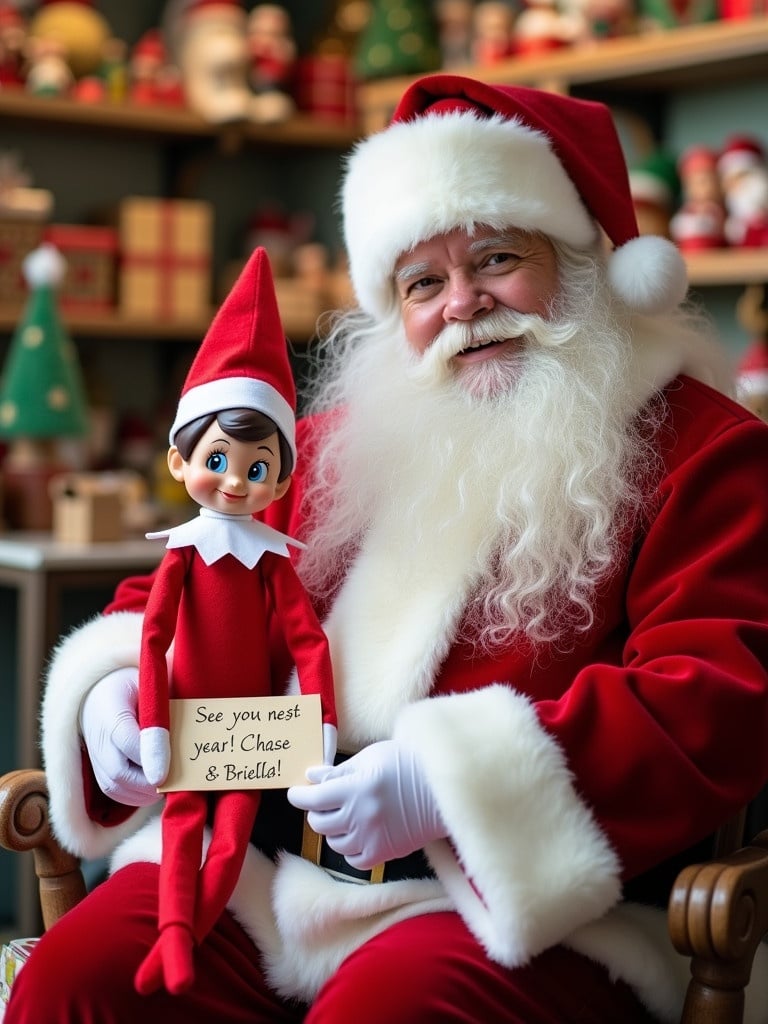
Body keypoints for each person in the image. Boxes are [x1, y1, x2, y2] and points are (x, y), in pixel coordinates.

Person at [7, 74, 768, 1024]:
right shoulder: (338, 445)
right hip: (257, 865)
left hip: (504, 904)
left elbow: (717, 693)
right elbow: (182, 583)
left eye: (496, 258)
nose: (461, 304)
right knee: (76, 980)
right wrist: (122, 692)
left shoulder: (703, 451)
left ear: (581, 262)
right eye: (423, 282)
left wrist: (446, 784)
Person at [132, 246, 336, 996]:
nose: (236, 481)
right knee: (183, 828)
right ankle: (176, 937)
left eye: (257, 470)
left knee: (234, 838)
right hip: (187, 717)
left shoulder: (276, 561)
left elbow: (307, 641)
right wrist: (150, 723)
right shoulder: (181, 556)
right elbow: (152, 640)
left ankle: (183, 940)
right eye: (218, 460)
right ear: (181, 464)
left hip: (253, 726)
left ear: (281, 477)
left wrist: (321, 725)